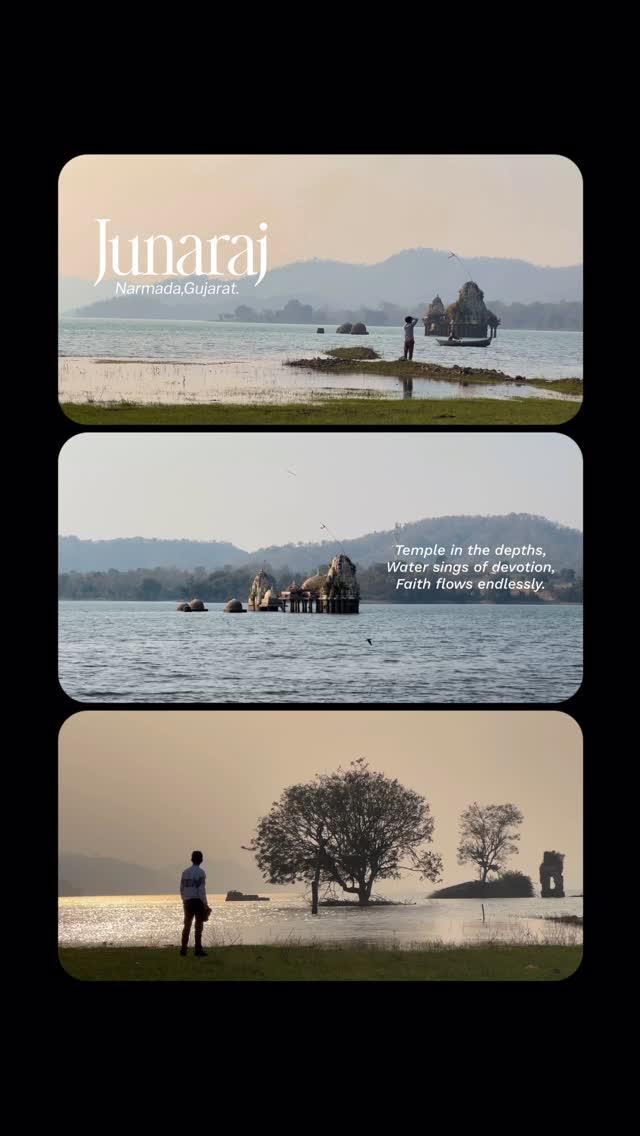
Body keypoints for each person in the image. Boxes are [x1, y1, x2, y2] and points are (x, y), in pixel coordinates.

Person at [180, 850, 209, 957]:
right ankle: (198, 950)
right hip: (198, 901)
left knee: (187, 925)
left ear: (192, 859)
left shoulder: (185, 872)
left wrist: (184, 899)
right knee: (198, 926)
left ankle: (183, 949)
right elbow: (201, 890)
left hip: (187, 901)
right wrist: (205, 904)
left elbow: (182, 888)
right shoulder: (201, 873)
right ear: (201, 860)